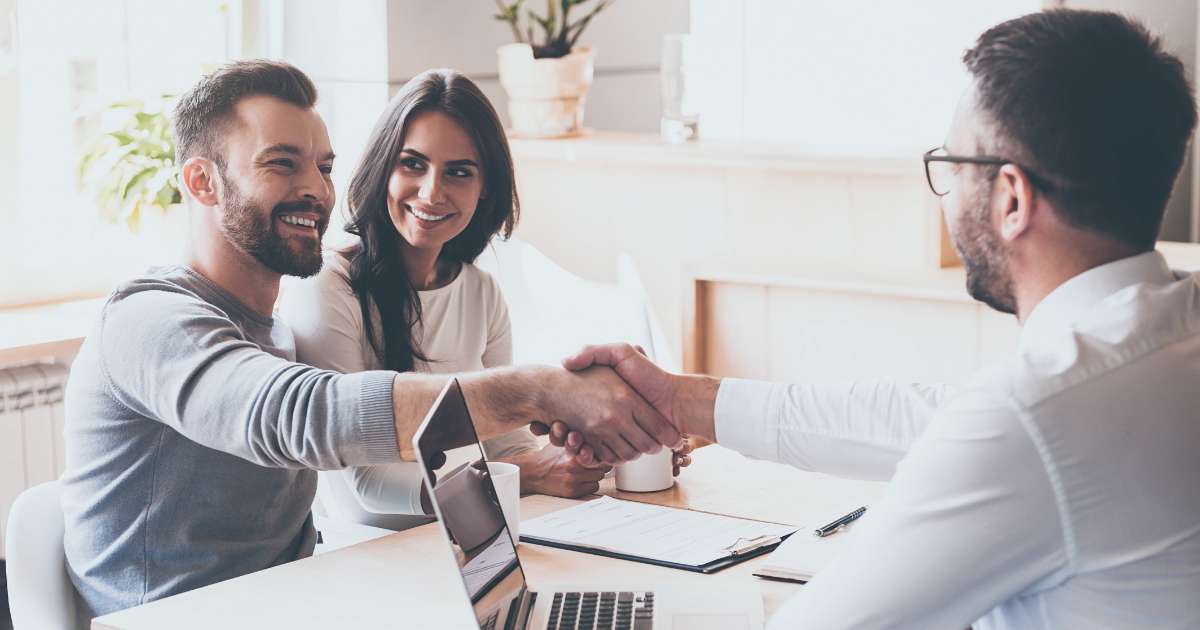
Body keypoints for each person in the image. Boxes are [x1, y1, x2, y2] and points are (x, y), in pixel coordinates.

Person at [557, 10, 1200, 629]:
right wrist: (683, 403)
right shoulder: (1166, 330)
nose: (944, 188)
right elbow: (929, 418)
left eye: (953, 163)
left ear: (1010, 197)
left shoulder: (1041, 417)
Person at [60, 59, 683, 620]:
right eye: (282, 163)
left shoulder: (276, 326)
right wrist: (540, 391)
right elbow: (301, 416)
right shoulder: (151, 320)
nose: (316, 189)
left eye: (324, 167)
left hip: (299, 598)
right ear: (202, 183)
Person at [279, 69, 657, 531]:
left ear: (486, 190)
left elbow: (505, 446)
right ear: (382, 168)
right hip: (370, 555)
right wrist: (526, 477)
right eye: (413, 164)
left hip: (472, 539)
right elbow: (367, 487)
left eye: (459, 172)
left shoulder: (480, 291)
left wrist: (589, 454)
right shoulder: (327, 285)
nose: (432, 191)